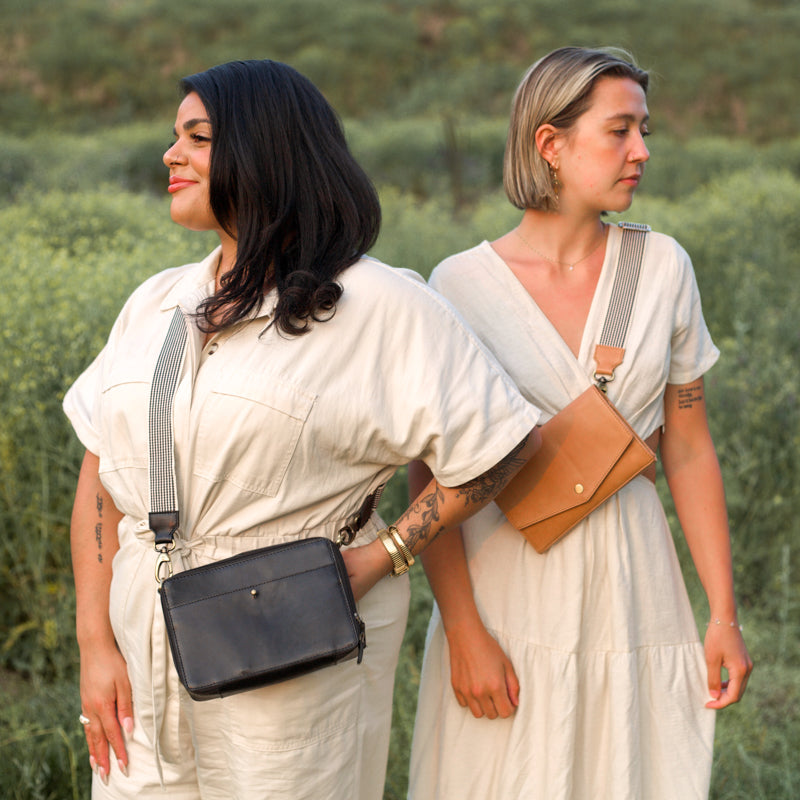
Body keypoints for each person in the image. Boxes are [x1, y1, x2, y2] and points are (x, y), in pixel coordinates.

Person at [64, 59, 541, 799]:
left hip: (288, 651)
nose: (171, 154)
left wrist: (383, 556)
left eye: (198, 137)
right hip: (141, 656)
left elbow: (501, 448)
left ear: (266, 150)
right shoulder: (157, 302)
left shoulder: (375, 304)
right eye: (174, 136)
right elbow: (101, 472)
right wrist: (95, 644)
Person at [408, 46, 753, 799]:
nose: (642, 151)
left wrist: (722, 615)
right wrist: (463, 630)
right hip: (503, 596)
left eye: (644, 131)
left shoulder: (664, 268)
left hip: (635, 586)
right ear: (550, 144)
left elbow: (689, 449)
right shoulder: (458, 287)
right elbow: (430, 476)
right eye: (620, 131)